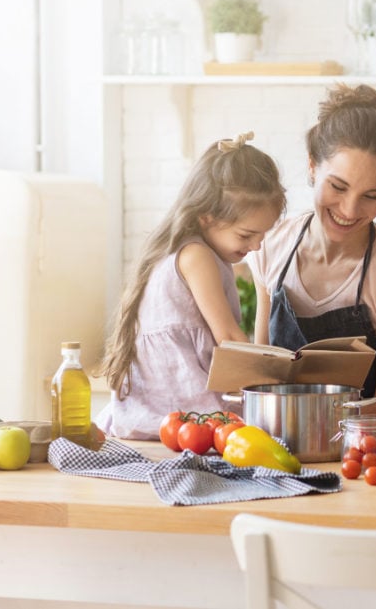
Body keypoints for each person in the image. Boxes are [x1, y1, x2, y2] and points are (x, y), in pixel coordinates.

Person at [247, 84, 376, 416]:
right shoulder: (269, 246)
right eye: (338, 186)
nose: (349, 209)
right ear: (313, 165)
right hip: (276, 448)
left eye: (372, 196)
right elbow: (262, 377)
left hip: (360, 453)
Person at [96, 133, 285, 439]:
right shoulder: (197, 256)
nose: (256, 246)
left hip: (163, 406)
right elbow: (228, 337)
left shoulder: (192, 250)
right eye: (246, 235)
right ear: (207, 218)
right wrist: (272, 380)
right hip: (178, 404)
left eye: (262, 236)